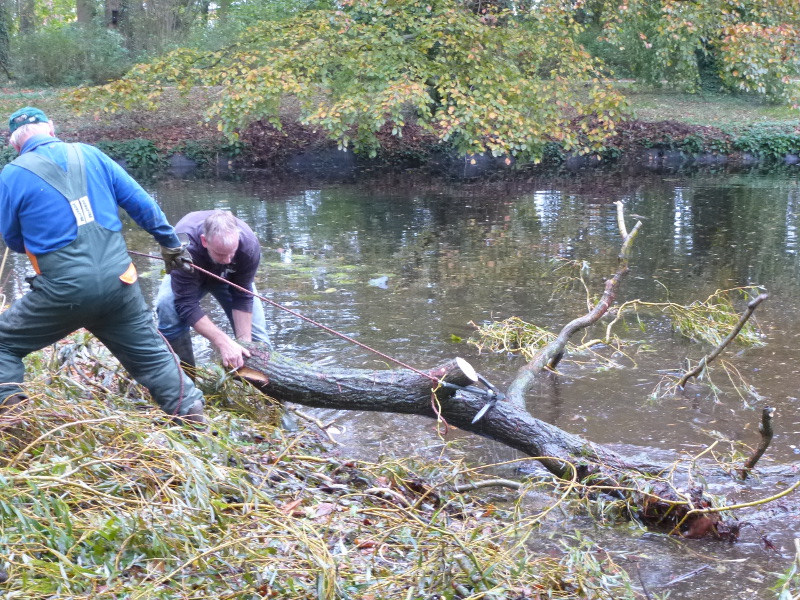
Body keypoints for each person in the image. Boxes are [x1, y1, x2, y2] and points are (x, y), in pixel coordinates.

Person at [0, 107, 206, 425]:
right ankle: (193, 417)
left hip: (64, 293)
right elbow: (142, 203)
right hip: (120, 283)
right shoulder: (91, 154)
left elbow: (13, 242)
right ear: (51, 129)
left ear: (14, 144)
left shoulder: (12, 175)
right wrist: (171, 245)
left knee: (4, 344)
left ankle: (14, 421)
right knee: (152, 358)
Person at [155, 210, 270, 373]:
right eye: (221, 254)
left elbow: (243, 295)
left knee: (258, 340)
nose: (228, 260)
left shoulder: (248, 245)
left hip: (230, 278)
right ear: (204, 241)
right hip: (191, 272)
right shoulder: (182, 245)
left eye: (232, 253)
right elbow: (186, 304)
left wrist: (245, 347)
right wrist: (223, 342)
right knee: (167, 306)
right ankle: (187, 380)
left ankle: (270, 393)